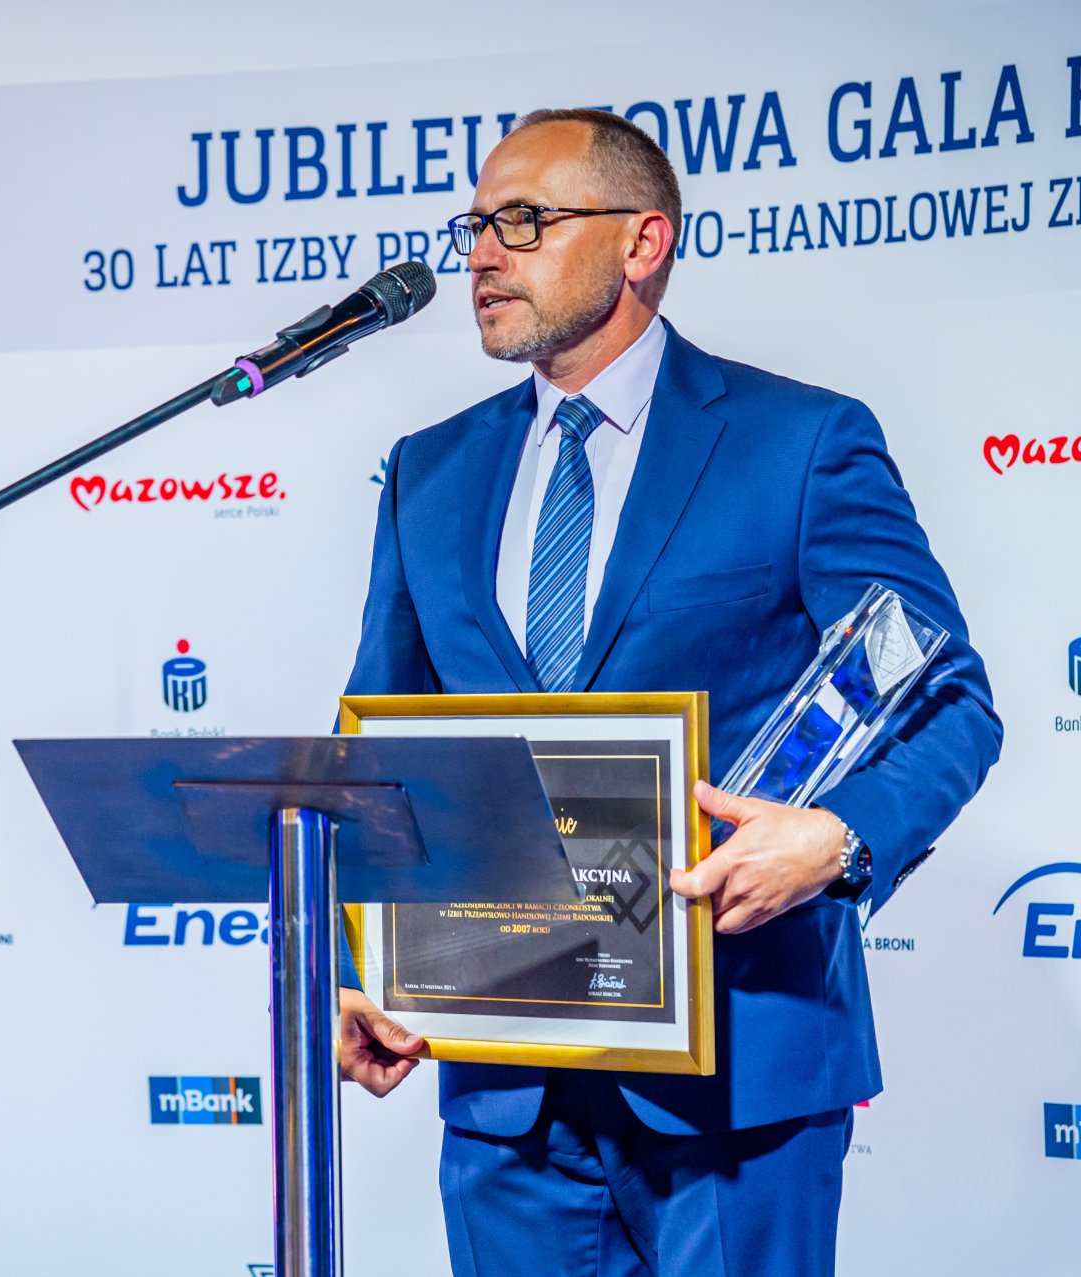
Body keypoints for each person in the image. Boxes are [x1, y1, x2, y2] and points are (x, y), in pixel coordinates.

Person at [337, 108, 1001, 1277]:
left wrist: (839, 838)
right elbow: (379, 746)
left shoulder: (799, 443)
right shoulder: (427, 471)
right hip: (505, 1086)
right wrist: (359, 960)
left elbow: (949, 702)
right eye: (474, 226)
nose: (482, 255)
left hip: (736, 1072)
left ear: (642, 242)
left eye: (523, 221)